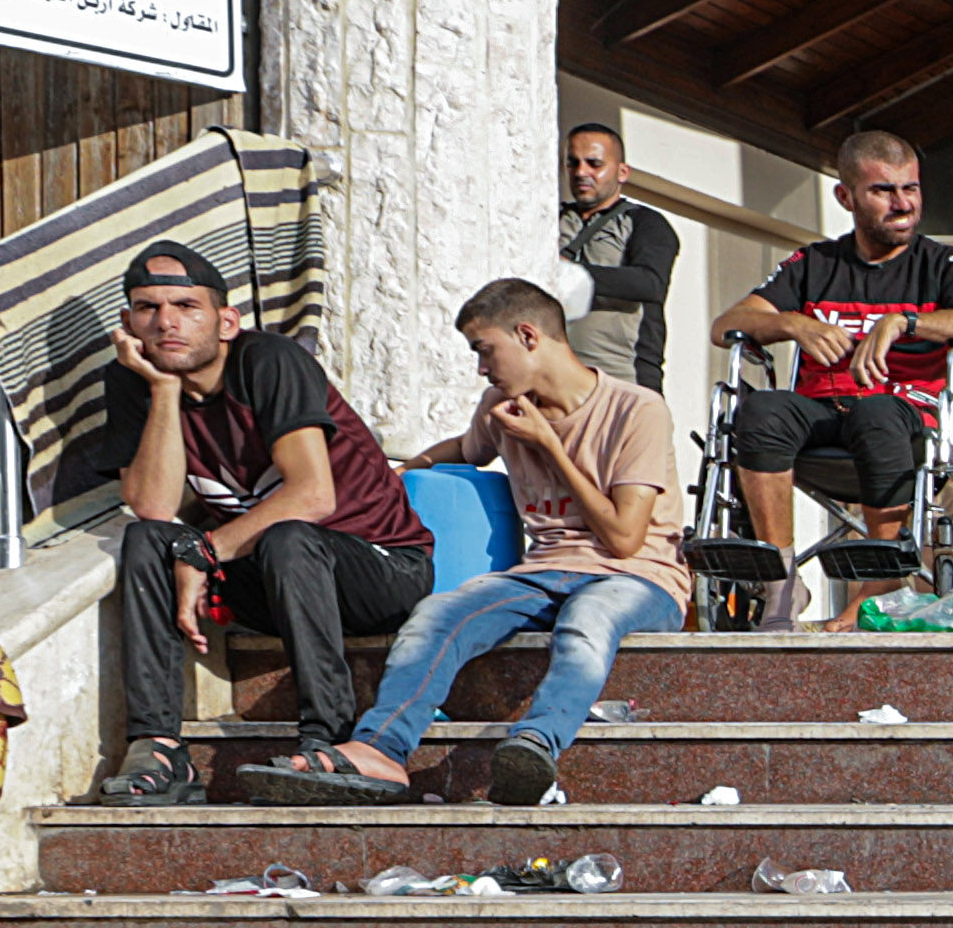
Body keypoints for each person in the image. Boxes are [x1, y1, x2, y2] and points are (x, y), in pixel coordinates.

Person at [255, 283, 692, 810]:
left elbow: (624, 539)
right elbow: (465, 449)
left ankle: (532, 746)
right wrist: (398, 475)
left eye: (484, 350)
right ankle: (379, 749)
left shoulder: (636, 409)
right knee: (437, 614)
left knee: (588, 621)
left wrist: (548, 445)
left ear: (528, 336)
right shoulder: (502, 406)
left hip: (639, 578)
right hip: (544, 572)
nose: (481, 369)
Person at [76, 239, 429, 806]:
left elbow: (312, 494)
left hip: (379, 567)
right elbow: (154, 507)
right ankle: (160, 746)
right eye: (148, 308)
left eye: (186, 306)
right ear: (128, 321)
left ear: (226, 321)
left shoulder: (269, 361)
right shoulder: (135, 379)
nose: (166, 322)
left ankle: (329, 739)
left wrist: (204, 552)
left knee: (290, 537)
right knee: (145, 540)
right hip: (268, 576)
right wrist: (163, 389)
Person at [710, 125, 953, 630]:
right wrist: (791, 323)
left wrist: (905, 322)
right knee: (759, 409)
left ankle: (880, 587)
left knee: (877, 413)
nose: (903, 203)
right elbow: (726, 326)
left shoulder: (941, 263)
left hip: (907, 416)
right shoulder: (814, 263)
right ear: (845, 196)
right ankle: (781, 586)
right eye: (883, 190)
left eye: (910, 188)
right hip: (822, 413)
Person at [553, 116, 681, 389]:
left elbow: (651, 284)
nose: (580, 172)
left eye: (594, 164)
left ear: (622, 172)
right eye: (572, 163)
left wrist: (568, 273)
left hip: (621, 379)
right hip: (553, 378)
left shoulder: (645, 222)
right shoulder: (551, 217)